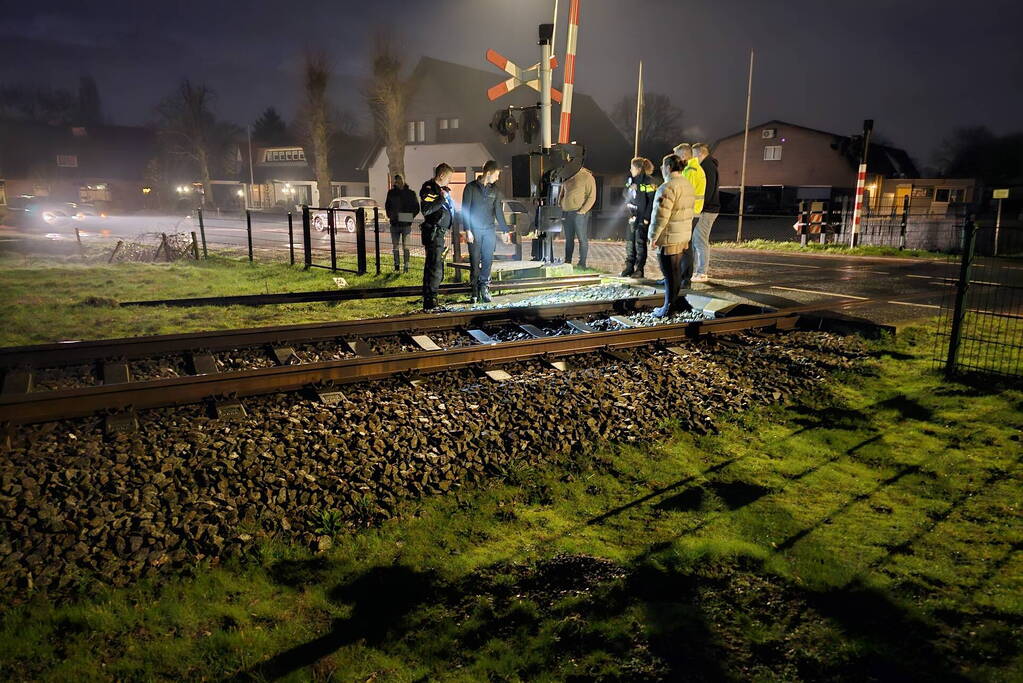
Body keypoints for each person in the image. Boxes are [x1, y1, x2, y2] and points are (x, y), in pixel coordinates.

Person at [648, 154, 696, 317]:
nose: (661, 169)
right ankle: (674, 303)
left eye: (662, 166)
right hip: (682, 235)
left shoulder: (667, 187)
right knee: (676, 270)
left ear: (668, 168)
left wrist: (653, 236)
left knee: (669, 272)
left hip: (669, 236)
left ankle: (668, 307)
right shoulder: (687, 184)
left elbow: (660, 215)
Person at [462, 160, 511, 303]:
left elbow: (498, 212)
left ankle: (484, 288)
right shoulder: (470, 188)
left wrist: (505, 231)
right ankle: (474, 291)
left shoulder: (495, 191)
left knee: (488, 261)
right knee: (475, 261)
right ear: (488, 173)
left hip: (489, 230)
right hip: (475, 231)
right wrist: (468, 230)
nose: (497, 178)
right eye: (496, 175)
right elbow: (466, 210)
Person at [419, 163, 455, 310]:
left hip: (439, 232)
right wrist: (442, 199)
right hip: (433, 232)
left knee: (435, 266)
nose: (449, 181)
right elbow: (427, 210)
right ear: (441, 175)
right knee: (435, 267)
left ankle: (431, 298)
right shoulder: (429, 188)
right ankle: (430, 301)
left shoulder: (442, 190)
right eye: (449, 178)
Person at [673, 143, 706, 288]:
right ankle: (679, 277)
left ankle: (685, 279)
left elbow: (686, 193)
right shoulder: (691, 168)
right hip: (691, 212)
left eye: (677, 157)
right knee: (683, 245)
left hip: (689, 213)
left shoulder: (691, 170)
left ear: (684, 156)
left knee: (685, 246)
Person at [621, 157, 657, 278]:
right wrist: (629, 188)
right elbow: (625, 192)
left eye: (632, 167)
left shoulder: (649, 181)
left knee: (640, 244)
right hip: (632, 216)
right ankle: (629, 267)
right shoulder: (630, 180)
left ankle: (639, 269)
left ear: (638, 168)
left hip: (642, 217)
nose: (630, 170)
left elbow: (652, 200)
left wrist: (647, 217)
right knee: (630, 243)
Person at [691, 143, 720, 282]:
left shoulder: (706, 167)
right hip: (707, 209)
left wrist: (699, 208)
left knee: (700, 240)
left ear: (700, 153)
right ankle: (698, 271)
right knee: (698, 240)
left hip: (706, 209)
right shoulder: (709, 166)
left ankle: (702, 272)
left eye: (694, 155)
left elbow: (706, 191)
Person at [559, 163, 596, 268]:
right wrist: (560, 204)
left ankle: (582, 263)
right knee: (569, 239)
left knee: (581, 238)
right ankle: (567, 262)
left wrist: (583, 211)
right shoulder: (567, 176)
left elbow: (592, 196)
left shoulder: (586, 176)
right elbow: (562, 193)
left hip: (579, 213)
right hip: (566, 212)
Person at [384, 174, 420, 273]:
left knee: (406, 247)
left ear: (403, 181)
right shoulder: (391, 193)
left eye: (399, 181)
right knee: (395, 246)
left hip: (405, 224)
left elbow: (416, 208)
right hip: (395, 223)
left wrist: (408, 217)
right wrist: (391, 216)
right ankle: (397, 266)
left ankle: (406, 266)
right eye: (396, 181)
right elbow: (387, 205)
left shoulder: (410, 193)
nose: (397, 183)